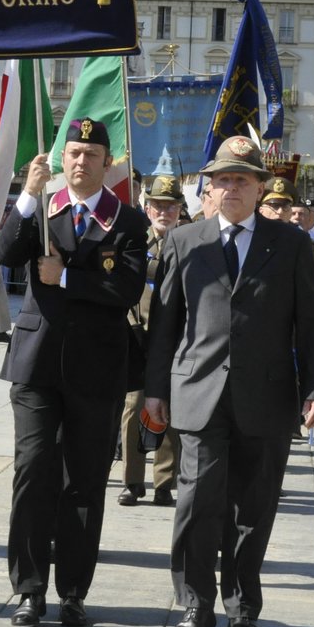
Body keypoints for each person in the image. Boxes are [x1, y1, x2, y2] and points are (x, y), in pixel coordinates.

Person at [143, 135, 314, 627]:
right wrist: (155, 389)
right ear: (209, 187)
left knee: (254, 509)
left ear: (260, 188)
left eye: (241, 179)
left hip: (268, 396)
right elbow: (165, 324)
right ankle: (195, 606)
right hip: (197, 393)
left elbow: (312, 324)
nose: (230, 187)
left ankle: (244, 609)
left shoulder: (291, 245)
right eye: (222, 179)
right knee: (197, 505)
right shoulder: (185, 241)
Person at [0, 118, 147, 627]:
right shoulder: (41, 209)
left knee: (84, 483)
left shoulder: (128, 221)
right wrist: (27, 192)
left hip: (97, 367)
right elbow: (5, 252)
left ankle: (74, 591)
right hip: (38, 364)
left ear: (109, 163)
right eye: (74, 152)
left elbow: (125, 289)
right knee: (33, 471)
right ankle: (29, 590)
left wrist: (68, 276)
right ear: (62, 160)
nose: (80, 161)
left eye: (91, 154)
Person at [117, 174, 186, 508]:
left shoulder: (189, 243)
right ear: (146, 207)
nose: (164, 212)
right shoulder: (133, 240)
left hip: (173, 339)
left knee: (169, 409)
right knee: (133, 408)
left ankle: (164, 481)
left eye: (171, 206)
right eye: (158, 205)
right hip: (137, 334)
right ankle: (132, 481)